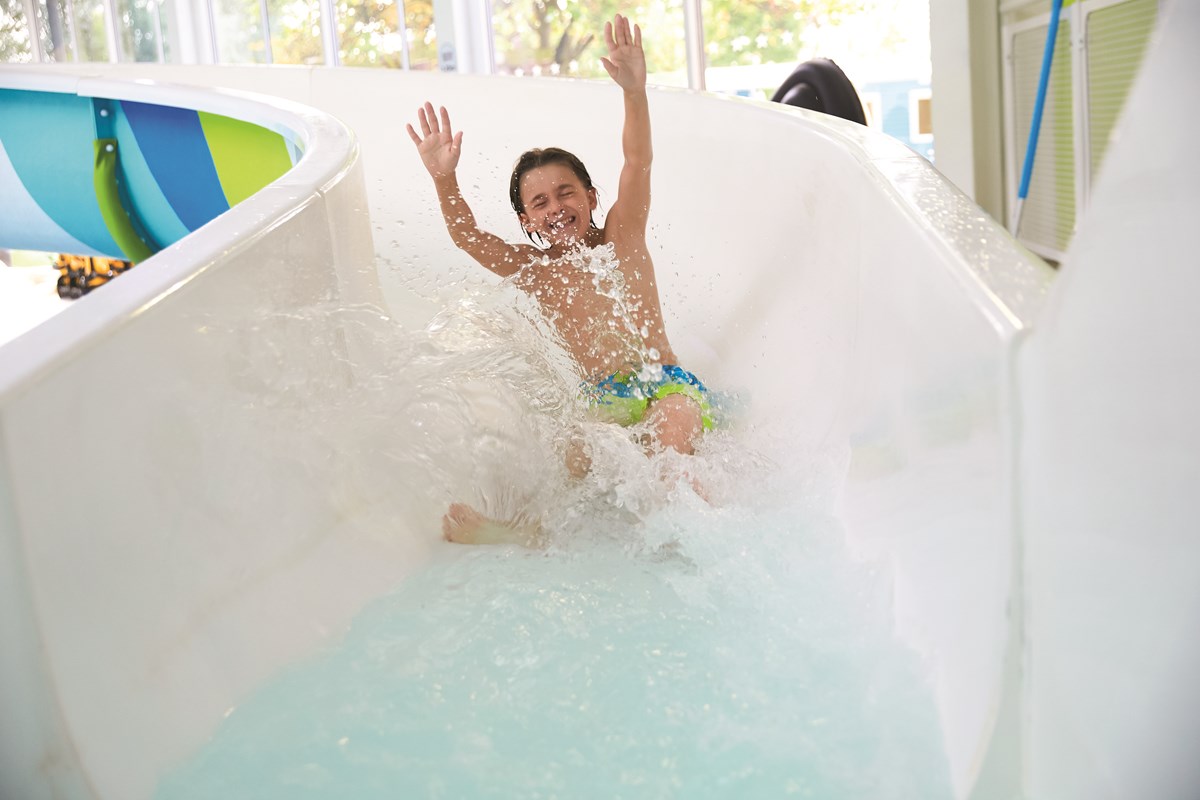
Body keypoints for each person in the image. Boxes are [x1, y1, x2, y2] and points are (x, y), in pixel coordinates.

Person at [406, 13, 713, 545]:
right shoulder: (535, 271)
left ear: (591, 197)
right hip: (602, 403)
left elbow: (637, 160)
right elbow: (467, 237)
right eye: (539, 202)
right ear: (527, 222)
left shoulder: (623, 237)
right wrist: (444, 179)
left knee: (674, 430)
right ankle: (520, 533)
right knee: (567, 464)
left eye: (567, 192)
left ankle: (688, 529)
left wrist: (634, 93)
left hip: (664, 385)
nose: (556, 207)